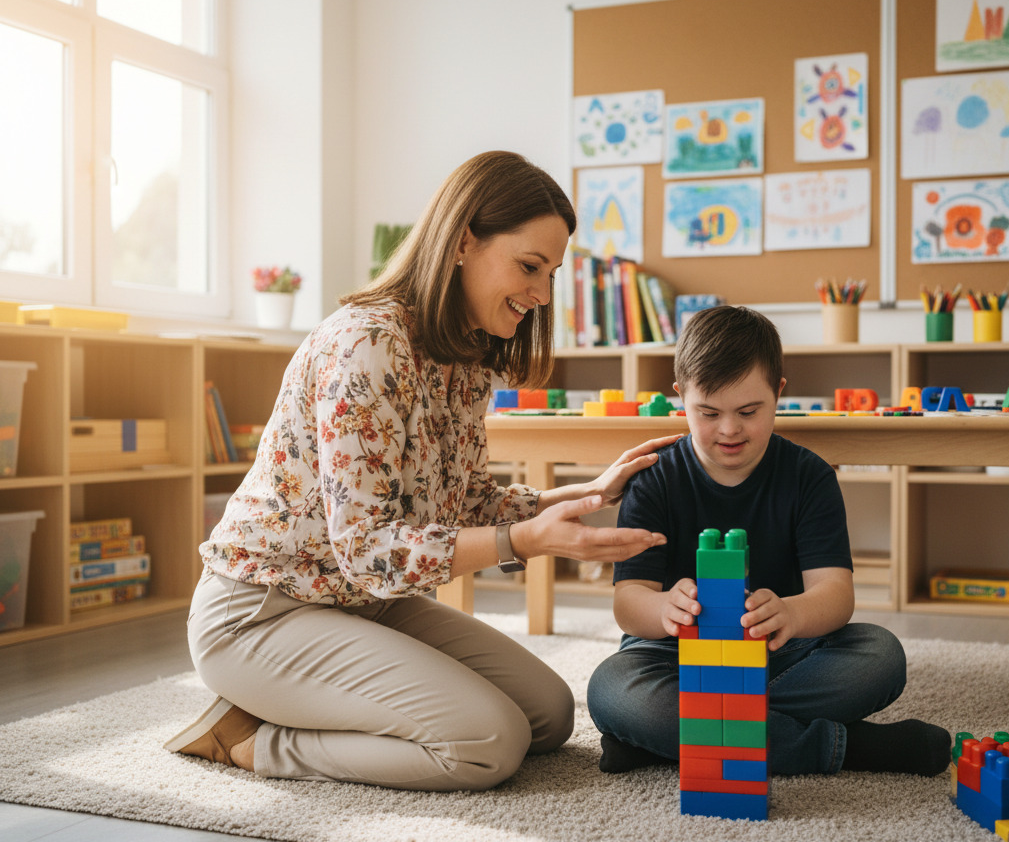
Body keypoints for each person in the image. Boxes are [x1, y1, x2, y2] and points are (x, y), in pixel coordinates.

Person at [166, 151, 677, 791]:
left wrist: (572, 496)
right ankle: (254, 737)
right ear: (464, 240)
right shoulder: (368, 345)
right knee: (488, 744)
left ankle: (320, 703)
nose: (542, 296)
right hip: (262, 614)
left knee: (547, 716)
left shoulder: (464, 354)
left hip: (363, 606)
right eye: (528, 267)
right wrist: (524, 541)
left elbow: (458, 500)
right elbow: (367, 549)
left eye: (551, 273)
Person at [586, 305, 950, 777]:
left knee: (879, 655)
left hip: (775, 654)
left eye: (749, 411)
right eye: (708, 412)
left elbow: (836, 595)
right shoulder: (654, 479)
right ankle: (848, 747)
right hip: (674, 656)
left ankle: (667, 740)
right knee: (612, 688)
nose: (730, 429)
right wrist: (661, 610)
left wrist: (794, 613)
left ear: (779, 392)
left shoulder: (809, 476)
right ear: (681, 398)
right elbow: (628, 602)